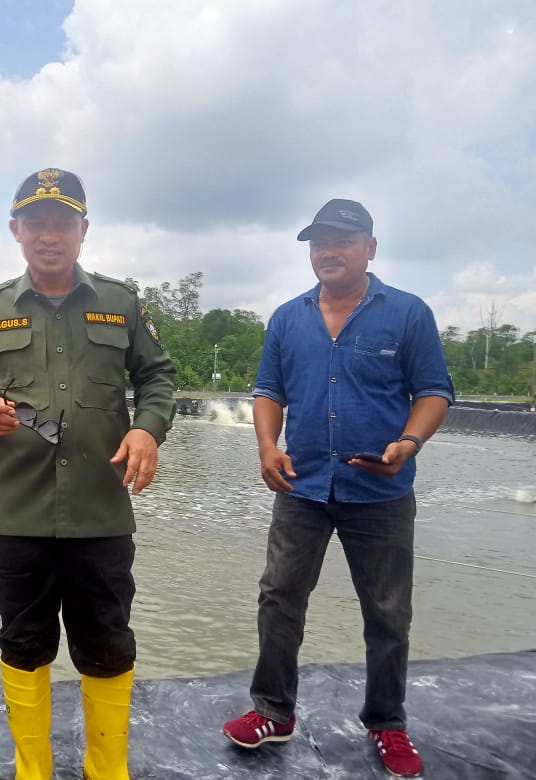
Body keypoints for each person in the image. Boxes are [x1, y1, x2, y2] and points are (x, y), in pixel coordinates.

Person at [0, 168, 177, 780]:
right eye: (38, 223)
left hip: (100, 511)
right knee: (23, 643)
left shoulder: (120, 302)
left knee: (107, 642)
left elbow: (158, 377)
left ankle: (108, 770)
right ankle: (33, 770)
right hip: (14, 513)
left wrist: (146, 428)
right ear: (17, 230)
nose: (51, 235)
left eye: (63, 222)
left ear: (83, 229)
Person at [221, 199, 454, 778]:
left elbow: (433, 391)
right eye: (318, 241)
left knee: (386, 610)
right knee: (279, 598)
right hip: (300, 485)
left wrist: (409, 442)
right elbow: (268, 391)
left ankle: (387, 724)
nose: (328, 249)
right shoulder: (287, 317)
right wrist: (266, 446)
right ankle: (272, 713)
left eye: (343, 239)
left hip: (381, 489)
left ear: (370, 248)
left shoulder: (407, 313)